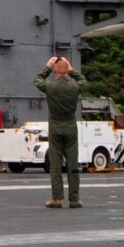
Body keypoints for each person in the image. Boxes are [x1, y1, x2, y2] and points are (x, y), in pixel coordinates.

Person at [34, 55, 84, 209]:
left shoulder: (50, 87)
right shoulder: (75, 87)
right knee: (72, 164)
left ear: (55, 72)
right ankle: (74, 199)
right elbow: (83, 81)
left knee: (56, 165)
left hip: (55, 127)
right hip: (70, 127)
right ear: (67, 72)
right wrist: (71, 69)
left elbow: (38, 80)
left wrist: (48, 66)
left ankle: (57, 199)